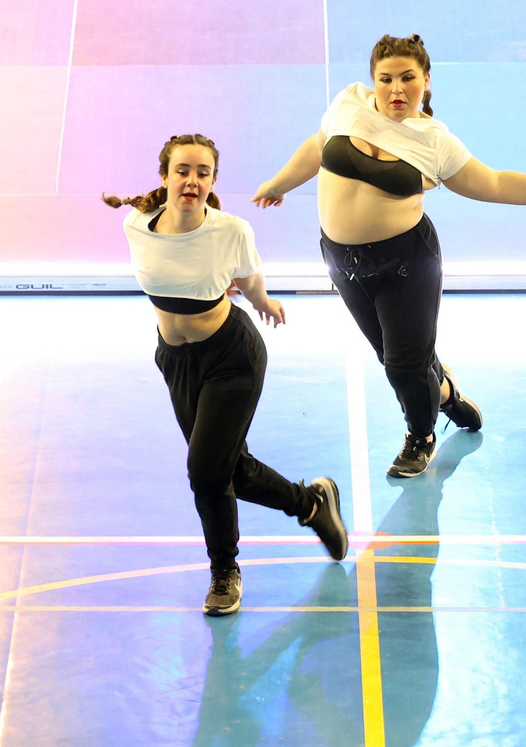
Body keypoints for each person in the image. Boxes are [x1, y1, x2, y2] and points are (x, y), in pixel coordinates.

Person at [253, 34, 526, 477]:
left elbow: (491, 183)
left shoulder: (434, 140)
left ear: (426, 81)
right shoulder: (347, 104)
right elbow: (316, 148)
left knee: (403, 363)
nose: (396, 89)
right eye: (386, 79)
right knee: (397, 357)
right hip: (342, 261)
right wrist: (279, 183)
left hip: (406, 263)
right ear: (372, 80)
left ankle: (421, 436)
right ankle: (447, 393)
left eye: (407, 79)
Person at [109, 134, 348, 616]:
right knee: (225, 467)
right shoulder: (137, 224)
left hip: (231, 357)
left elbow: (247, 277)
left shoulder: (230, 230)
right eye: (182, 171)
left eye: (203, 173)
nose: (192, 181)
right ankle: (312, 504)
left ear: (213, 181)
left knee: (205, 473)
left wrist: (264, 303)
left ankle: (225, 573)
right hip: (174, 360)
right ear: (165, 176)